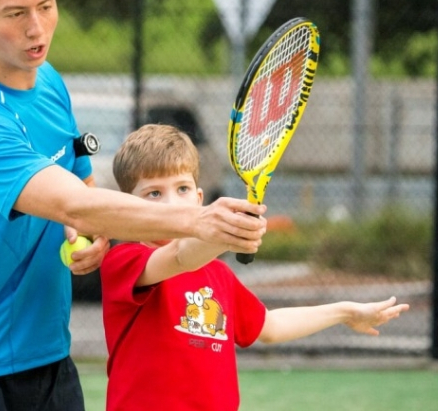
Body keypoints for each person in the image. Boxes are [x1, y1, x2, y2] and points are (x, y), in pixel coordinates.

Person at [0, 1, 268, 410]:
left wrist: (95, 233)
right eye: (15, 13)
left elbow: (80, 180)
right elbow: (73, 204)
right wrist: (198, 219)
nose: (36, 27)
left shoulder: (49, 83)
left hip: (48, 356)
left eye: (45, 6)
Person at [99, 123, 411, 411]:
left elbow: (270, 327)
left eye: (181, 189)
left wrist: (343, 312)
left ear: (198, 198)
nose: (172, 204)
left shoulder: (218, 275)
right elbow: (181, 256)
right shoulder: (125, 261)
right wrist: (227, 232)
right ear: (130, 208)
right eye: (154, 193)